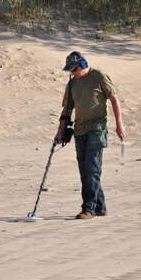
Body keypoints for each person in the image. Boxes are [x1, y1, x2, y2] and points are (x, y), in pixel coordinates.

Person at [54, 51, 126, 219]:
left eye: (74, 69)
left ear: (83, 65)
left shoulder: (99, 76)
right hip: (79, 131)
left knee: (92, 170)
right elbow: (66, 110)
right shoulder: (72, 84)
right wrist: (60, 131)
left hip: (97, 129)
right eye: (70, 70)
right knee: (85, 172)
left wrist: (119, 125)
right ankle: (100, 207)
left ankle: (89, 209)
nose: (72, 73)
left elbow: (114, 99)